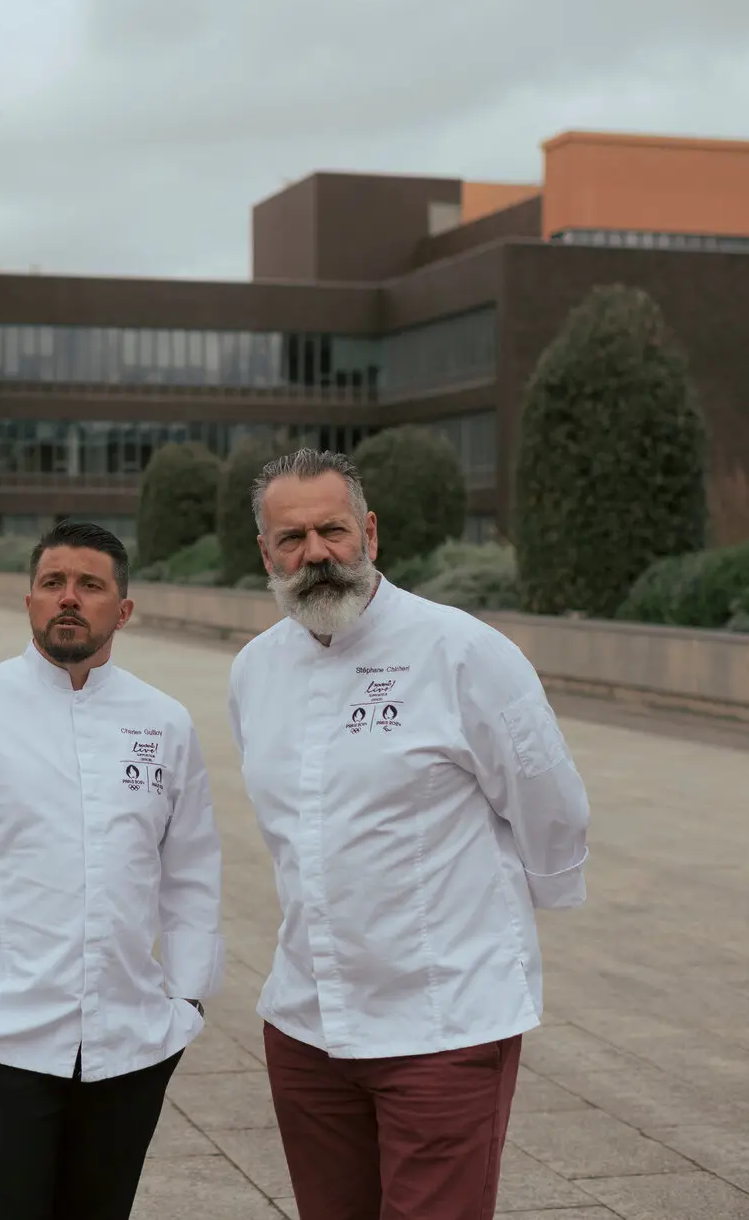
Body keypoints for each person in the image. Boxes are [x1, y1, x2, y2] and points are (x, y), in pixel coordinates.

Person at [229, 448, 590, 1220]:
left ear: (370, 531)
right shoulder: (253, 672)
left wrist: (523, 906)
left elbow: (551, 803)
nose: (315, 554)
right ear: (265, 553)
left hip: (442, 1023)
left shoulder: (461, 651)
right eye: (291, 539)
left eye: (333, 529)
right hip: (307, 1026)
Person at [0, 519, 224, 1220]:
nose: (69, 597)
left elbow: (192, 870)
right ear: (28, 599)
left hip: (128, 1047)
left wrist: (187, 1003)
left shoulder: (165, 722)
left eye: (90, 585)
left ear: (122, 609)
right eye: (52, 583)